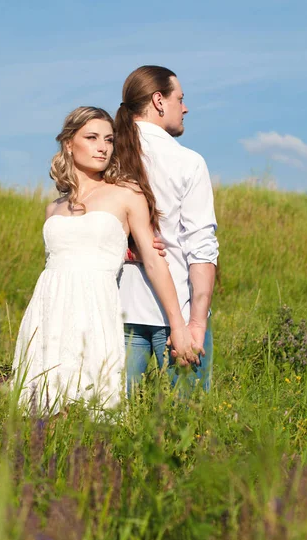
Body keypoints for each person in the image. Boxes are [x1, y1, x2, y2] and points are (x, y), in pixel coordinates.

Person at [12, 106, 197, 412]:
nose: (103, 147)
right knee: (41, 408)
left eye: (109, 140)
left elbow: (153, 260)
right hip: (48, 310)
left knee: (92, 407)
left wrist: (178, 325)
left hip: (96, 309)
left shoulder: (126, 194)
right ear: (69, 144)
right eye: (92, 137)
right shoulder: (53, 208)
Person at [115, 66, 219, 395]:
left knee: (110, 427)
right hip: (178, 316)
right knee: (185, 432)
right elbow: (201, 248)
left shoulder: (105, 156)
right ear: (159, 101)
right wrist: (197, 324)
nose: (185, 108)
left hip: (116, 310)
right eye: (181, 99)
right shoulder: (188, 162)